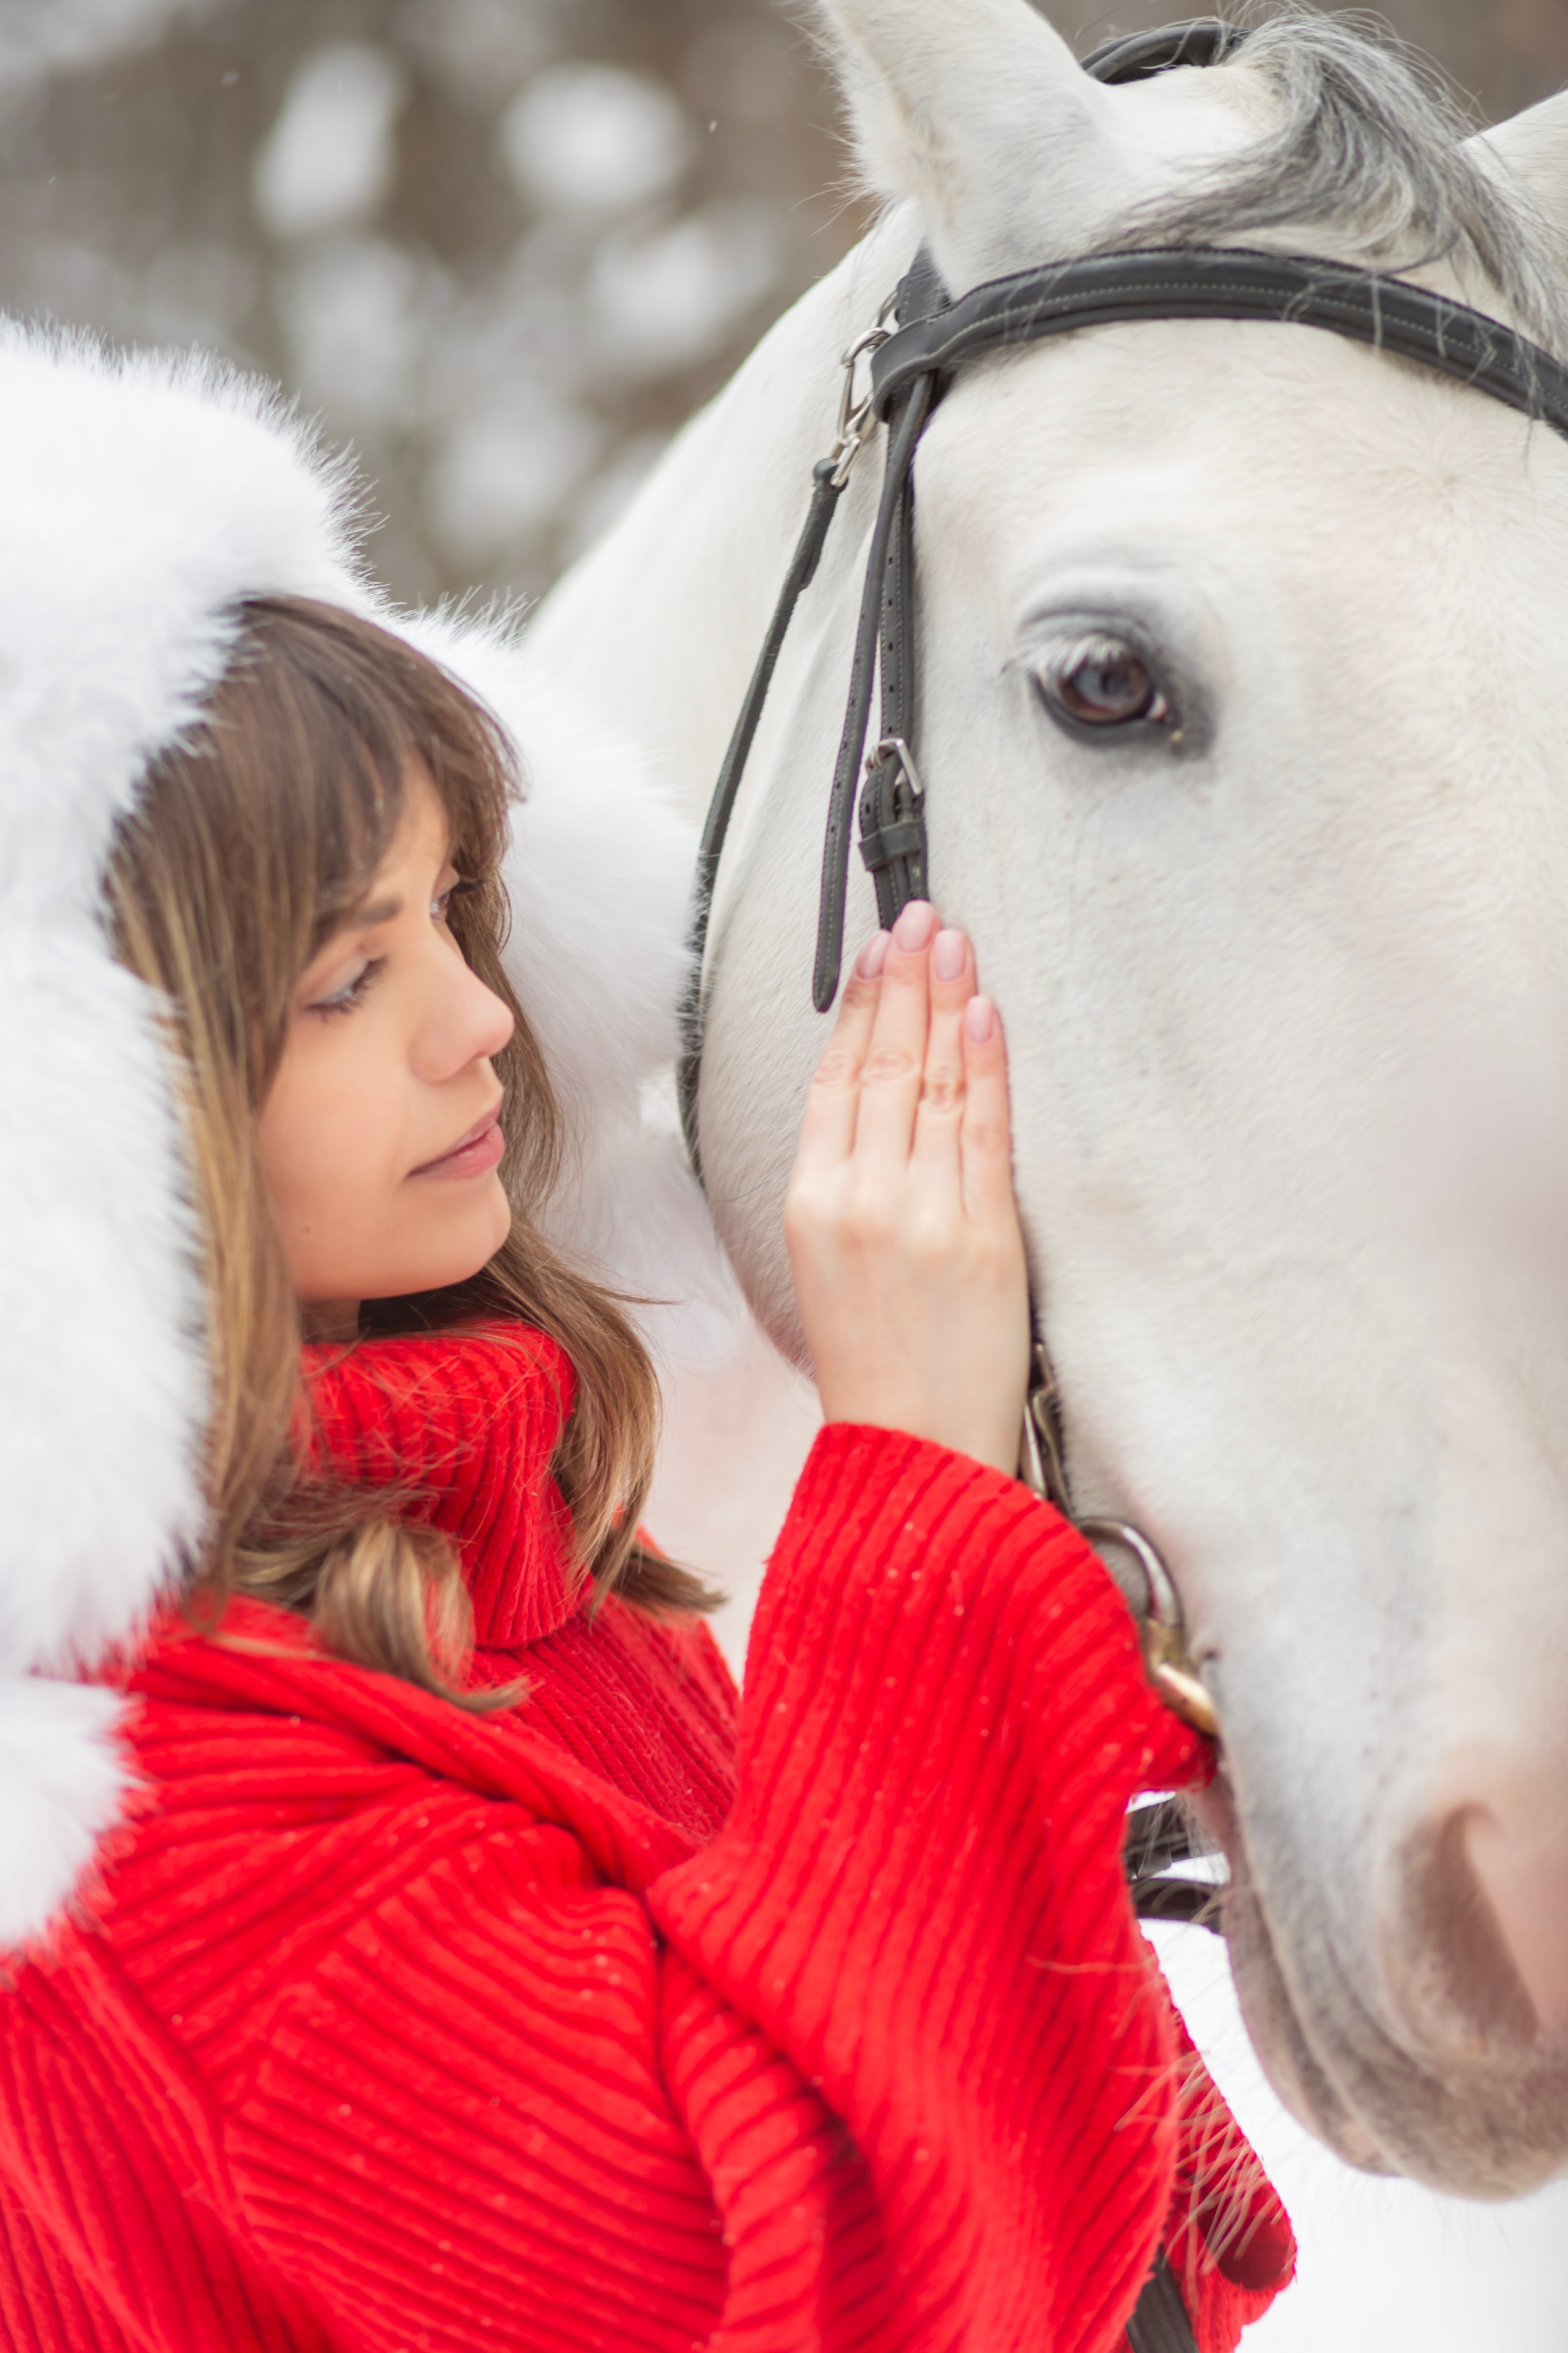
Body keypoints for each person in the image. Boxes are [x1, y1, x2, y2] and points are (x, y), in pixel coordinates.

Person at [0, 328, 1292, 2352]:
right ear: (79, 1114)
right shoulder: (151, 1837)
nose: (478, 1017)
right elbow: (856, 2291)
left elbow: (1132, 2242)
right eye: (349, 974)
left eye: (456, 904)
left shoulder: (497, 1567)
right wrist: (922, 1495)